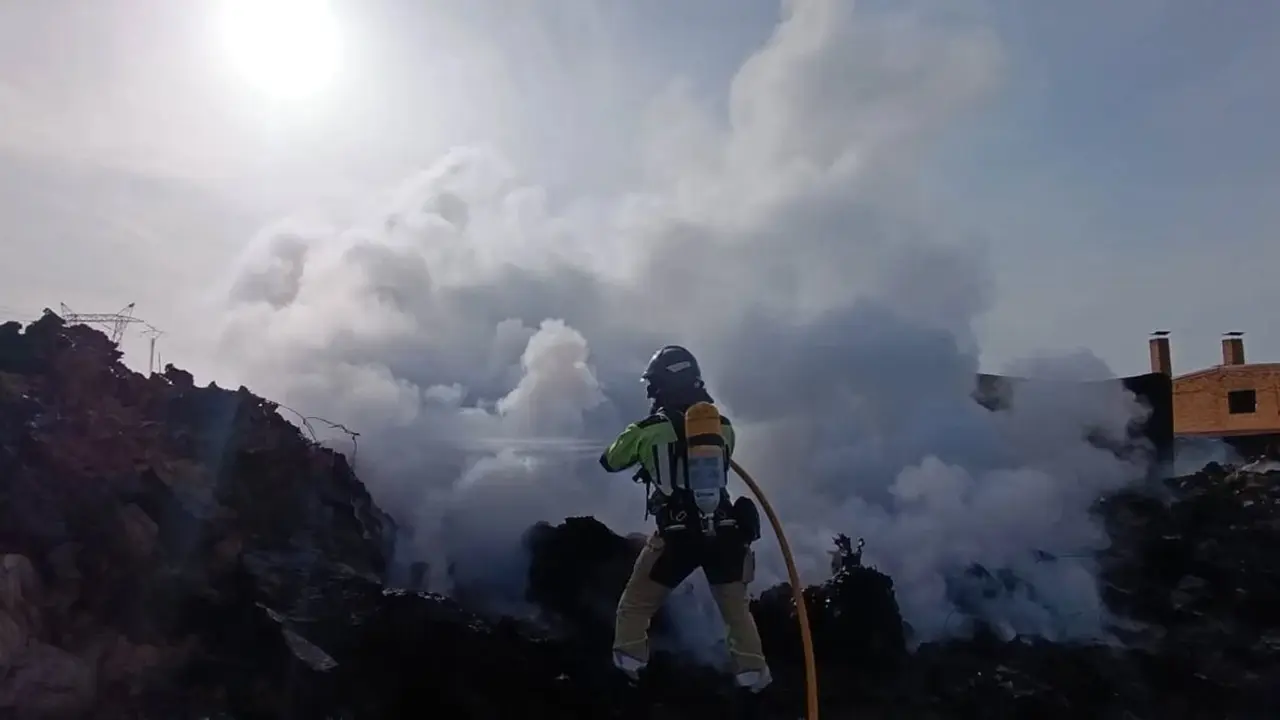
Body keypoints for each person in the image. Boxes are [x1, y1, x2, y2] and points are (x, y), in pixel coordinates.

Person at [598, 345, 771, 692]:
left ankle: (628, 670)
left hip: (676, 537)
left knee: (635, 607)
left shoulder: (647, 431)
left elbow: (611, 460)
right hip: (725, 532)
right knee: (737, 613)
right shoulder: (723, 428)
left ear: (661, 386)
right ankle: (753, 678)